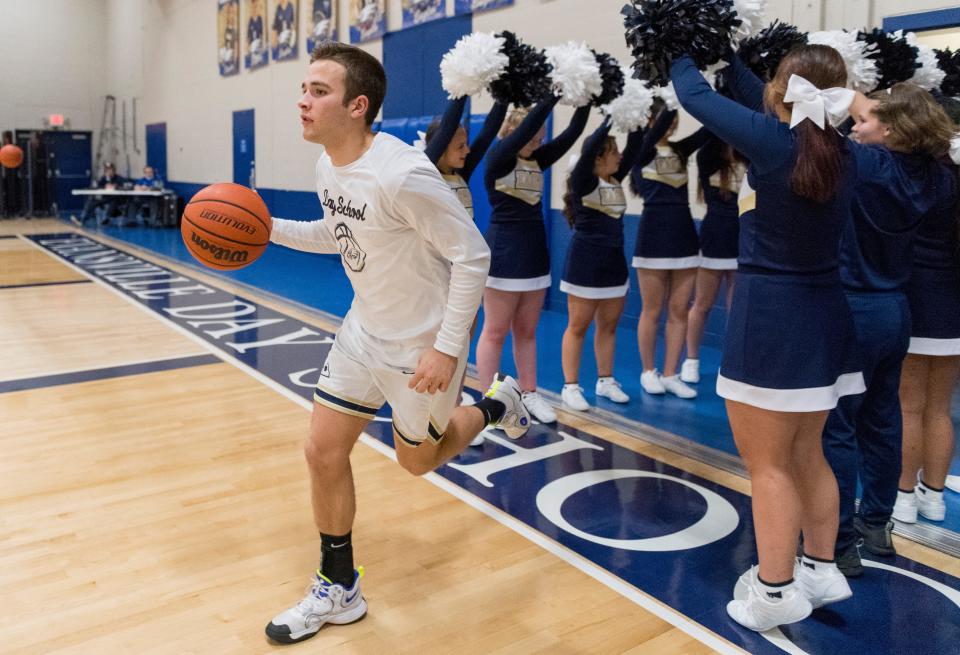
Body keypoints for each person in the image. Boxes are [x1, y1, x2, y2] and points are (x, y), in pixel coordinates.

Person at [263, 43, 531, 645]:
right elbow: (337, 236)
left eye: (318, 92)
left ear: (358, 106)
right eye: (303, 90)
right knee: (322, 451)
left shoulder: (403, 173)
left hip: (422, 350)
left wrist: (444, 348)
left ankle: (495, 403)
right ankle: (339, 587)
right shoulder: (330, 164)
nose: (303, 102)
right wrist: (267, 229)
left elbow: (473, 256)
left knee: (417, 462)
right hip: (363, 334)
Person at [672, 46, 865, 631]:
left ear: (784, 89)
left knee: (769, 466)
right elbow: (768, 95)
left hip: (772, 320)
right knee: (808, 452)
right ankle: (820, 567)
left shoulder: (775, 141)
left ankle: (775, 591)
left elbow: (695, 98)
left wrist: (678, 46)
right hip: (826, 317)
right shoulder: (840, 149)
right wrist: (730, 54)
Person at [819, 84, 957, 576]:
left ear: (892, 129)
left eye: (869, 120)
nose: (859, 124)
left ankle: (835, 541)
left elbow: (831, 119)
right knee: (883, 420)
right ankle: (876, 524)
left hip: (854, 308)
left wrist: (842, 89)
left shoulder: (870, 165)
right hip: (896, 310)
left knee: (837, 427)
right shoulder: (938, 177)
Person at [476, 98, 590, 424]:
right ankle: (490, 400)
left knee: (526, 330)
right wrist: (550, 95)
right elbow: (526, 126)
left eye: (540, 135)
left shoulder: (538, 160)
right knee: (496, 331)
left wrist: (585, 99)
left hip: (535, 254)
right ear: (513, 130)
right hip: (503, 254)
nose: (537, 140)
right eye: (531, 134)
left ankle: (530, 393)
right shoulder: (498, 158)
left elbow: (572, 133)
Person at [893, 115, 960, 527]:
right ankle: (933, 497)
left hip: (917, 302)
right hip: (954, 310)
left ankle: (903, 498)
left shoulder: (925, 180)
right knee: (939, 408)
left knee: (909, 407)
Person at [423, 94, 508, 418]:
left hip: (462, 276)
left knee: (460, 349)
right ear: (441, 145)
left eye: (465, 144)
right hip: (433, 276)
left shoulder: (462, 172)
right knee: (437, 346)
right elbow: (447, 129)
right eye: (458, 144)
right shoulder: (427, 170)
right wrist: (462, 88)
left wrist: (503, 96)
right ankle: (431, 411)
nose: (466, 150)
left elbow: (487, 134)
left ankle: (452, 406)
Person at [557, 117, 645, 411]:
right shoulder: (585, 182)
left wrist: (636, 115)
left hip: (614, 265)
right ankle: (570, 386)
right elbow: (590, 146)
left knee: (608, 326)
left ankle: (605, 380)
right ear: (597, 158)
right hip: (585, 265)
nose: (620, 157)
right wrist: (609, 116)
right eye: (613, 152)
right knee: (578, 326)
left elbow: (635, 145)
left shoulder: (615, 180)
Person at [628, 102, 709, 398]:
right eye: (662, 118)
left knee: (678, 310)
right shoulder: (641, 150)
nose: (669, 124)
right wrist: (671, 101)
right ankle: (649, 371)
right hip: (652, 236)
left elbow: (707, 131)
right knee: (652, 310)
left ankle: (672, 372)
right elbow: (654, 132)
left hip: (684, 235)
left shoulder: (680, 150)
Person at [680, 130, 746, 384]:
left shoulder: (748, 159)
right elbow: (708, 134)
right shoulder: (709, 158)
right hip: (714, 237)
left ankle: (731, 361)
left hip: (742, 239)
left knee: (736, 308)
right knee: (703, 303)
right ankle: (691, 360)